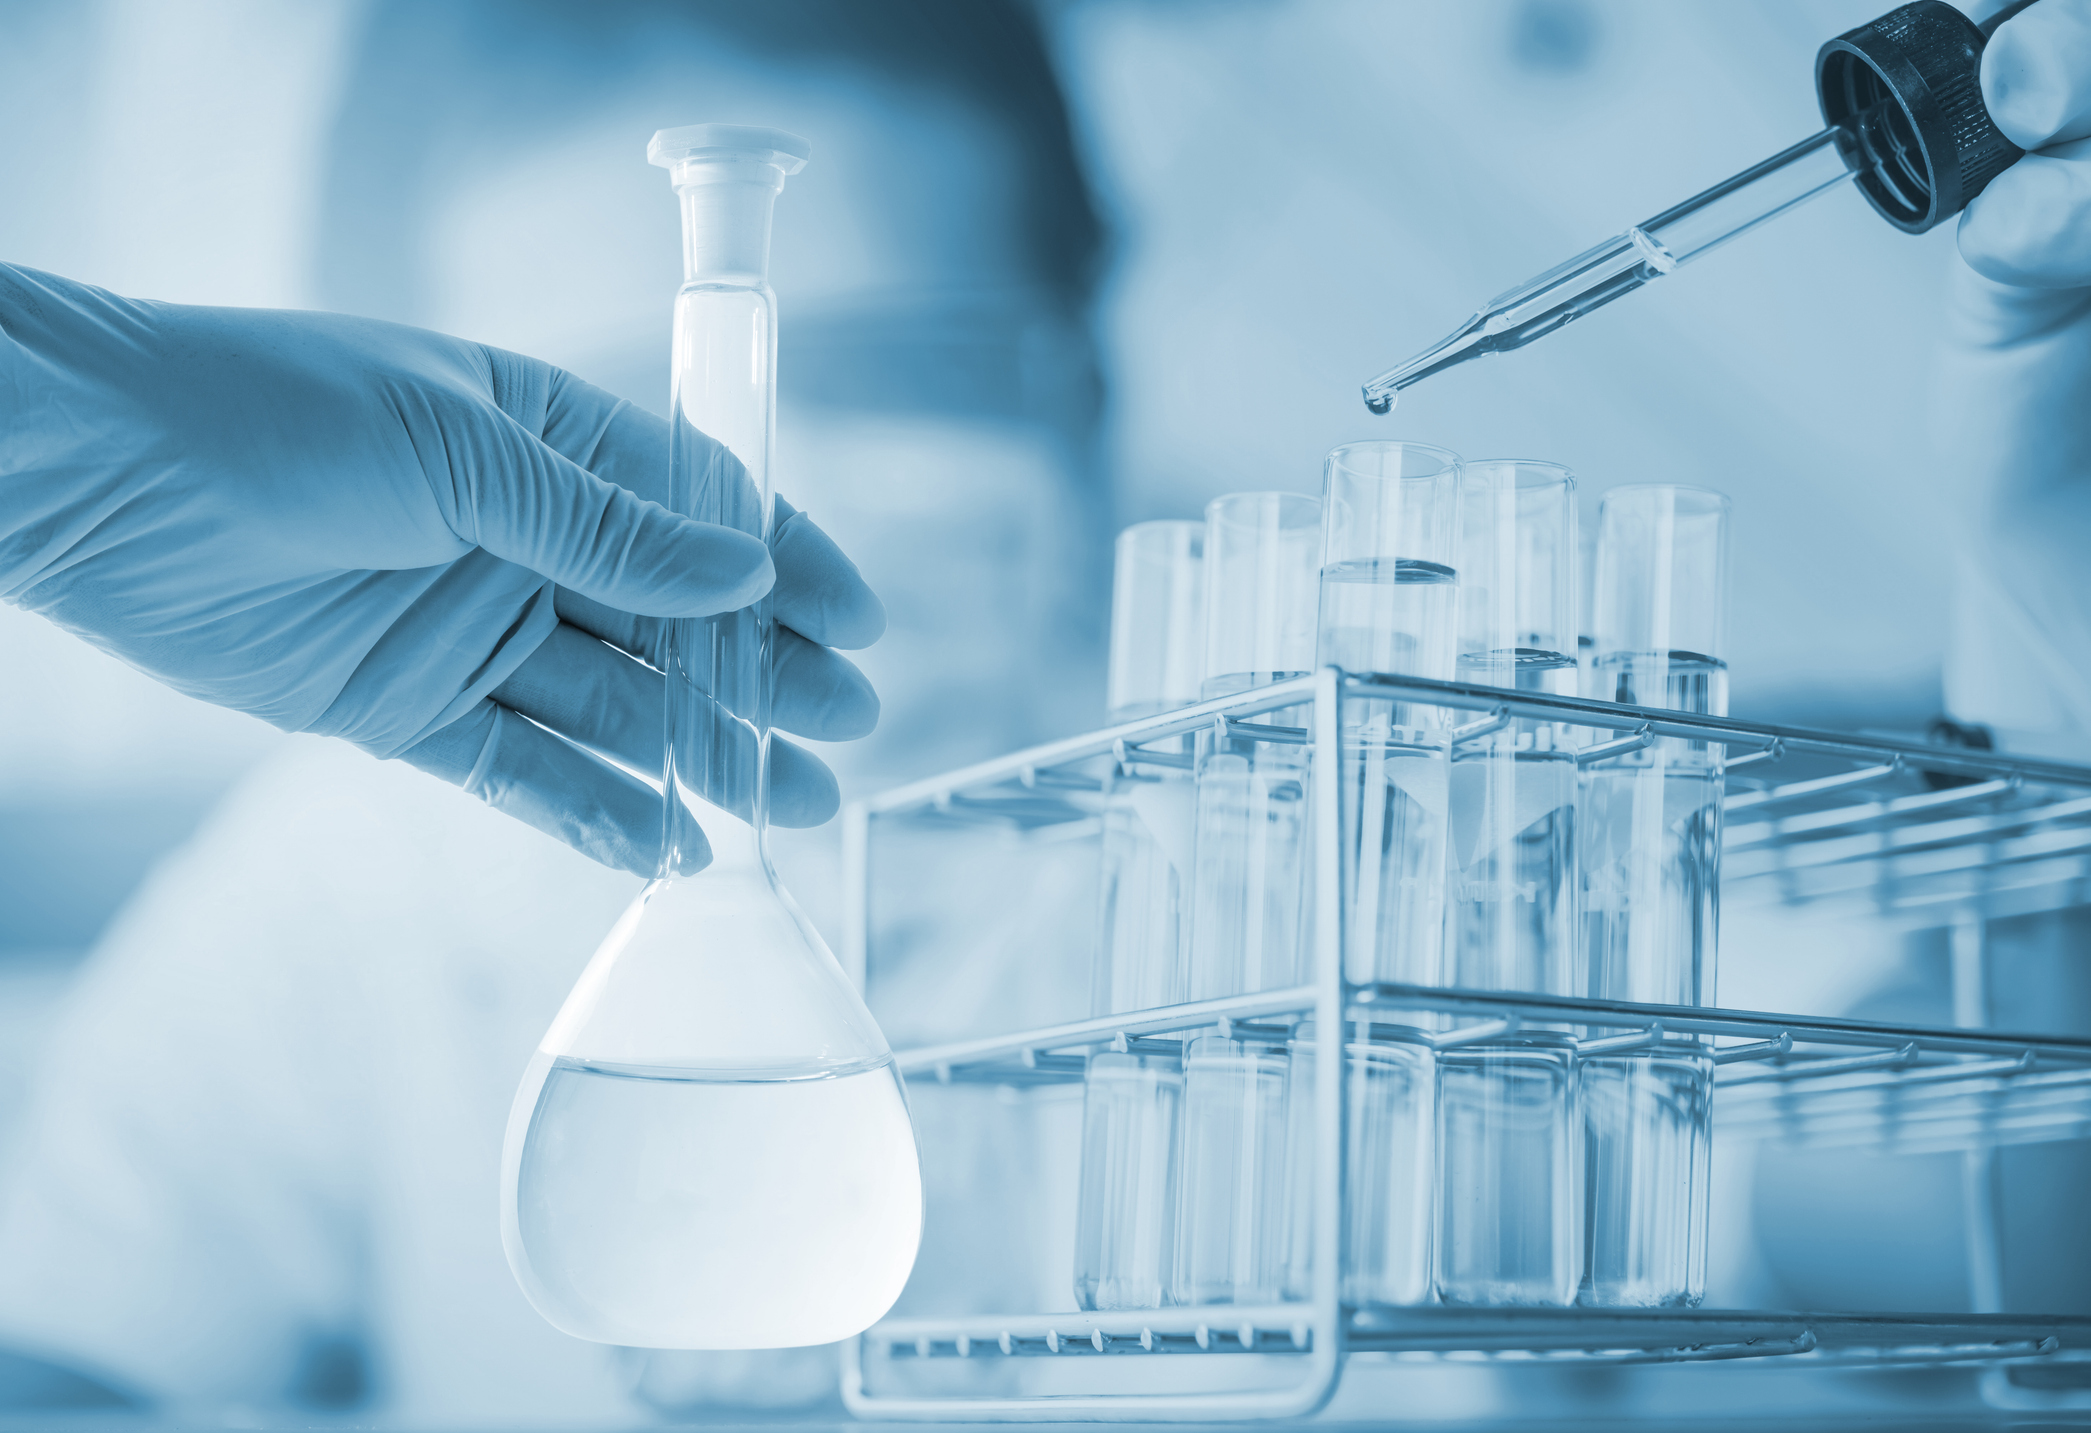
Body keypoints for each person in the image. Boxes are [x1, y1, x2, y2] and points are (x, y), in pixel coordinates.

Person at [0, 0, 1107, 1421]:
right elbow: (53, 1367)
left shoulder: (1343, 847)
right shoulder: (359, 873)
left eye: (899, 371)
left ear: (1085, 379)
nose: (768, 494)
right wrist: (54, 436)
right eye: (596, 424)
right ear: (412, 454)